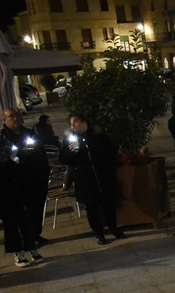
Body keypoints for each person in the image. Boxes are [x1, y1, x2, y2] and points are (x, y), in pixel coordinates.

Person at [59, 114, 125, 245]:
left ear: (84, 122)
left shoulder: (98, 136)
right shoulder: (69, 140)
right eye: (71, 123)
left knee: (109, 206)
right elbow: (63, 159)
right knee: (92, 208)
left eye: (76, 122)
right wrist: (72, 153)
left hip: (104, 178)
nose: (73, 125)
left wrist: (111, 169)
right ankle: (98, 233)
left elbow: (112, 152)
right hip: (85, 180)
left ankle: (113, 228)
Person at [2, 109, 51, 244]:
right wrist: (21, 155)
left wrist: (45, 170)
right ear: (4, 120)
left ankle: (36, 233)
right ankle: (27, 237)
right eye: (11, 116)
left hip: (37, 176)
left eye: (16, 115)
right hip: (19, 180)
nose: (15, 119)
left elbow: (41, 151)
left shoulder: (29, 133)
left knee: (38, 207)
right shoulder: (3, 138)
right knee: (25, 211)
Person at [0, 128, 42, 267]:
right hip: (4, 194)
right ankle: (17, 252)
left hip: (18, 190)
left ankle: (31, 247)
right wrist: (12, 163)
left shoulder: (4, 140)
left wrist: (20, 157)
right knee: (11, 224)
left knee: (26, 221)